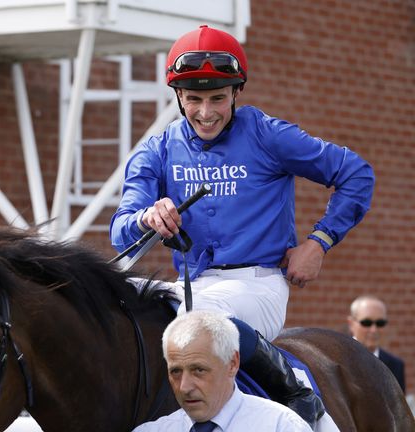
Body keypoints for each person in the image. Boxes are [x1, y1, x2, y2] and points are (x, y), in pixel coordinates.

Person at [110, 24, 375, 428]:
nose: (206, 112)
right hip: (188, 289)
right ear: (179, 97)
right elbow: (121, 230)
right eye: (194, 99)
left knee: (199, 317)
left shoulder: (269, 134)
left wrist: (318, 241)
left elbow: (356, 174)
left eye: (218, 98)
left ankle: (295, 392)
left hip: (258, 286)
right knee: (112, 302)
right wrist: (147, 218)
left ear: (237, 92)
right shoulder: (157, 149)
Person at [133, 311, 311, 432]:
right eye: (175, 372)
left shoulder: (281, 426)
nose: (184, 387)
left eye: (199, 370)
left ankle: (296, 392)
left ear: (232, 363)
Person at [347, 295, 405, 391]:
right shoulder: (336, 360)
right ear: (351, 323)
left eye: (380, 323)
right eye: (366, 323)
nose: (374, 330)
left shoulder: (396, 365)